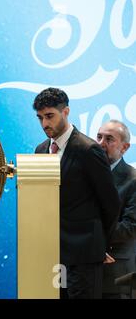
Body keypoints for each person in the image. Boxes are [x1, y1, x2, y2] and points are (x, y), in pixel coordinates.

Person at [33, 87, 119, 299]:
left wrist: (101, 243)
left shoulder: (88, 149)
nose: (45, 123)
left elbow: (111, 202)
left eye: (50, 116)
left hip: (84, 254)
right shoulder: (40, 149)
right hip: (49, 253)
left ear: (66, 111)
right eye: (40, 118)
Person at [96, 120, 136, 299]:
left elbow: (130, 227)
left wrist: (90, 242)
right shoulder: (84, 175)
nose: (101, 143)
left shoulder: (133, 180)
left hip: (116, 276)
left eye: (109, 139)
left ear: (125, 147)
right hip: (82, 274)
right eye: (99, 137)